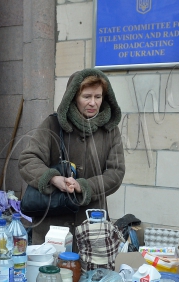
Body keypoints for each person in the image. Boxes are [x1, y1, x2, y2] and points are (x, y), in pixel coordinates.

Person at [19, 68, 125, 246]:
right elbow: (28, 159)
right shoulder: (52, 124)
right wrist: (53, 178)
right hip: (52, 226)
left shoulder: (110, 130)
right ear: (73, 96)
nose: (93, 103)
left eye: (98, 97)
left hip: (91, 224)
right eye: (86, 96)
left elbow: (116, 172)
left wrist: (84, 186)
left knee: (90, 272)